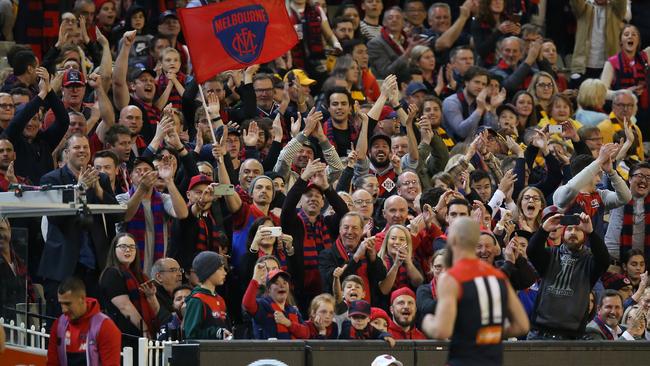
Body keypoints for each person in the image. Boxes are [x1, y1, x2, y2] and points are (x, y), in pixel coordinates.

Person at [422, 218, 529, 365]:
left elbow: (442, 331)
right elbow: (522, 325)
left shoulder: (451, 278)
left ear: (453, 239)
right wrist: (487, 332)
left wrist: (427, 322)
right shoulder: (498, 276)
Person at [39, 134, 117, 318]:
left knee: (93, 321)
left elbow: (116, 214)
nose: (82, 151)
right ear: (66, 153)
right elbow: (57, 219)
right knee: (60, 321)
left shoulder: (101, 179)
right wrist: (79, 189)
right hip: (63, 264)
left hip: (95, 265)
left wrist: (98, 191)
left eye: (86, 147)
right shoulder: (51, 179)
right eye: (77, 147)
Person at [527, 213, 610, 339]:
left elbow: (604, 260)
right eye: (569, 229)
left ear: (584, 235)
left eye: (578, 229)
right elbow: (532, 251)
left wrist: (592, 233)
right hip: (539, 333)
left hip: (571, 336)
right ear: (563, 233)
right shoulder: (550, 255)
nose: (573, 232)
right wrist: (544, 230)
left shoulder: (590, 262)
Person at [99, 233, 160, 347]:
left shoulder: (140, 276)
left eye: (132, 247)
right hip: (123, 336)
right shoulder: (112, 274)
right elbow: (125, 306)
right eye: (123, 246)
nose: (128, 250)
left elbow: (156, 311)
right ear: (114, 250)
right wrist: (145, 330)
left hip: (141, 334)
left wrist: (151, 296)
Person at [47, 277, 121, 366]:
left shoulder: (106, 327)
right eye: (61, 304)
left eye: (67, 303)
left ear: (82, 299)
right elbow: (52, 363)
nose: (64, 310)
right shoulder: (58, 325)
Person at [242, 266, 309, 339]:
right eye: (277, 283)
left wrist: (288, 323)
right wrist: (255, 277)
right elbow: (247, 304)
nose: (282, 286)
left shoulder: (293, 310)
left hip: (292, 350)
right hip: (268, 350)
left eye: (285, 282)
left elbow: (306, 333)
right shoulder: (263, 305)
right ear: (269, 289)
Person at [183, 251, 232, 340]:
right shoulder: (197, 300)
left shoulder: (220, 299)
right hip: (204, 353)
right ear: (208, 271)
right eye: (220, 269)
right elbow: (190, 334)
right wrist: (215, 333)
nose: (225, 273)